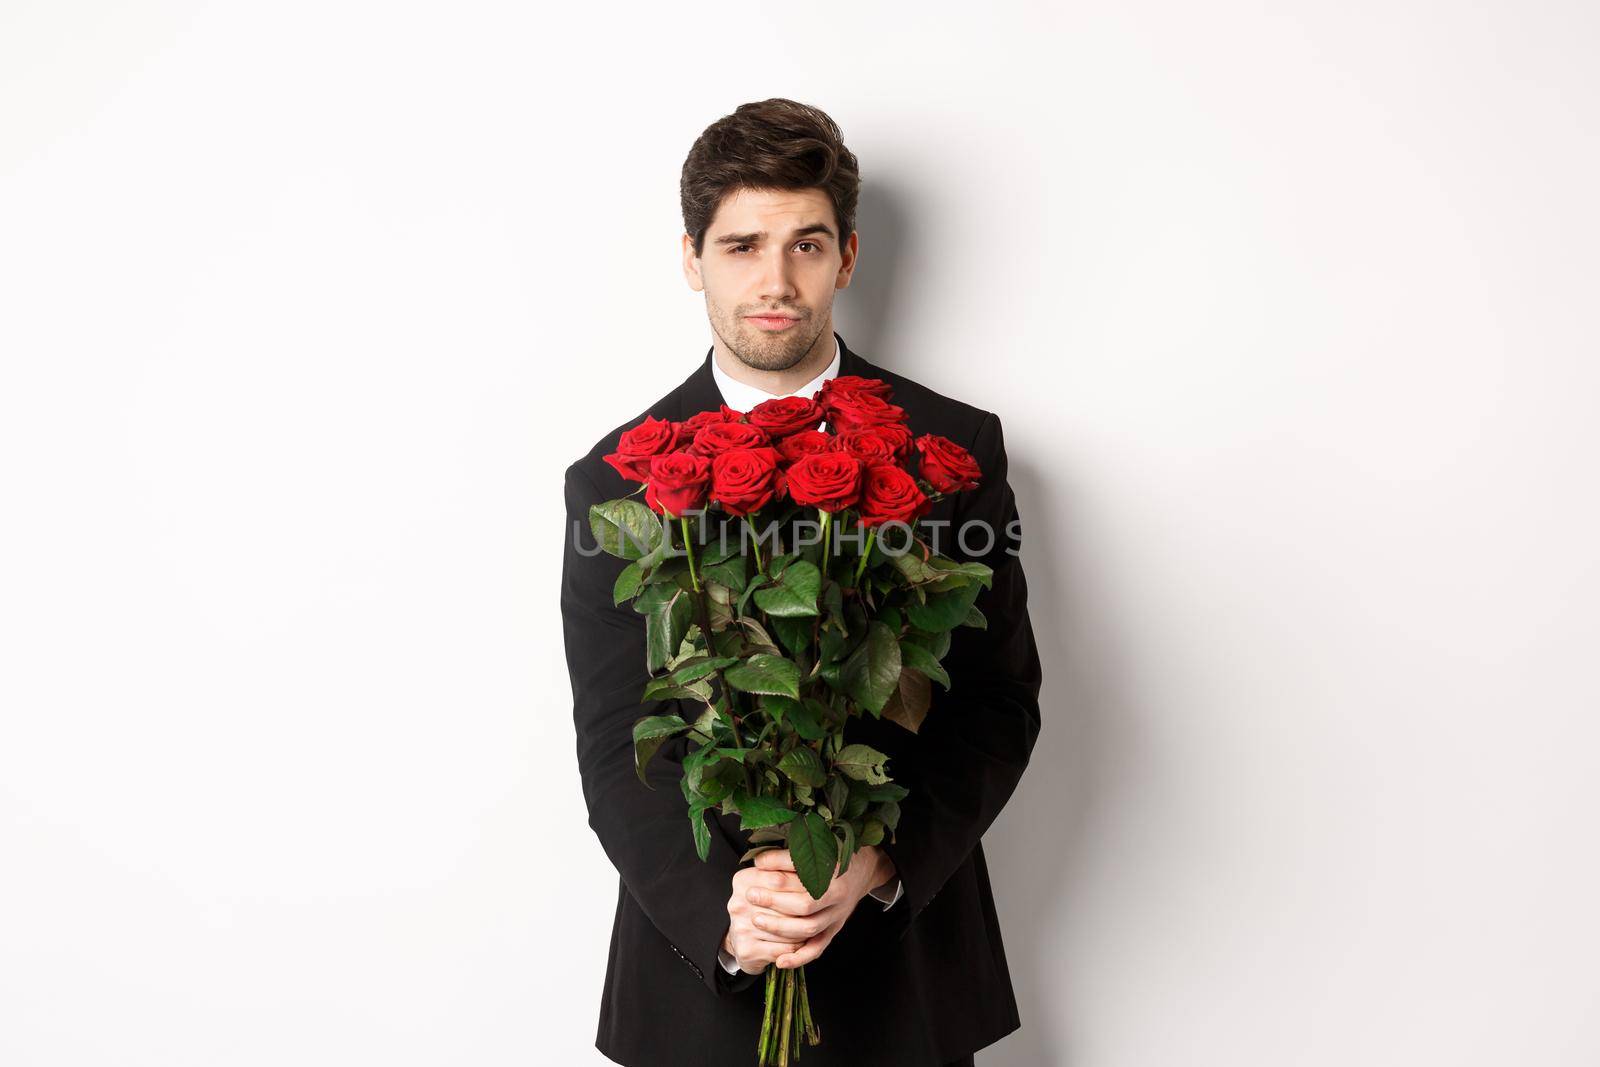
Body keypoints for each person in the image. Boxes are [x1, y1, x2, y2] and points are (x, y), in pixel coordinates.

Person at [560, 97, 1042, 1067]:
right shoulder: (612, 481)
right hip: (698, 987)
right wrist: (730, 918)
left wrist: (880, 864)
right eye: (741, 246)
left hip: (903, 982)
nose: (774, 281)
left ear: (847, 257)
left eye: (805, 245)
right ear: (692, 257)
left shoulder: (952, 447)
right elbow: (618, 742)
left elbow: (996, 705)